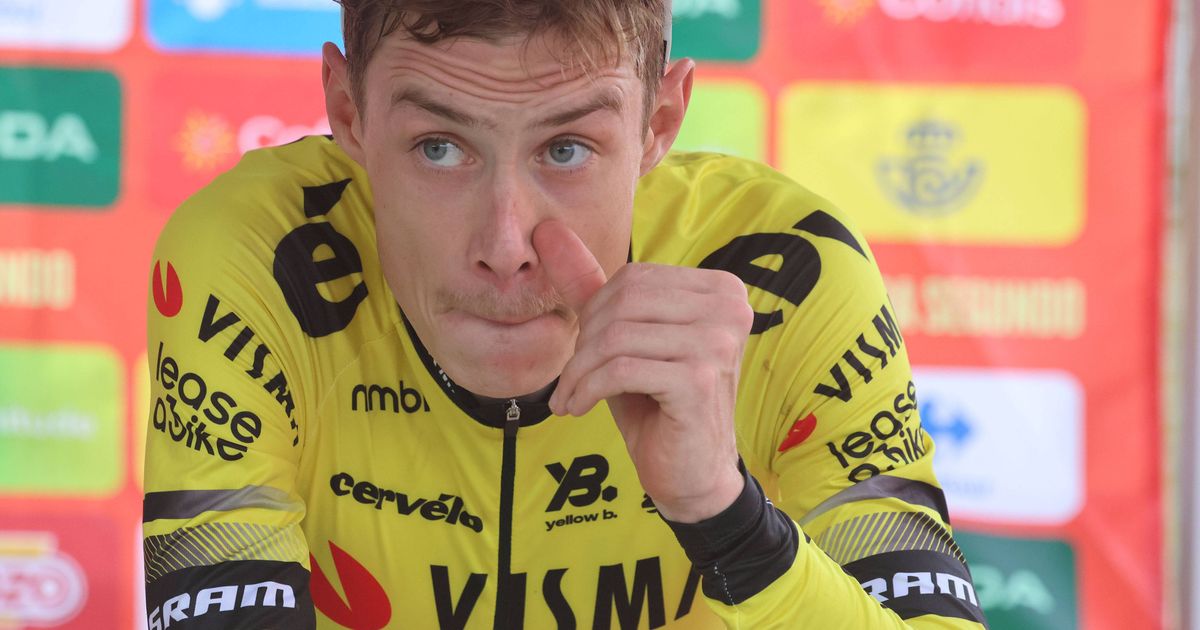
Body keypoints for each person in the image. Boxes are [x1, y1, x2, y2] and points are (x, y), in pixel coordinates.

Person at [142, 1, 988, 628]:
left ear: (659, 122)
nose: (506, 245)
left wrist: (726, 515)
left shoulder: (789, 280)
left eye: (566, 149)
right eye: (440, 147)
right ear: (348, 111)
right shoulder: (258, 260)